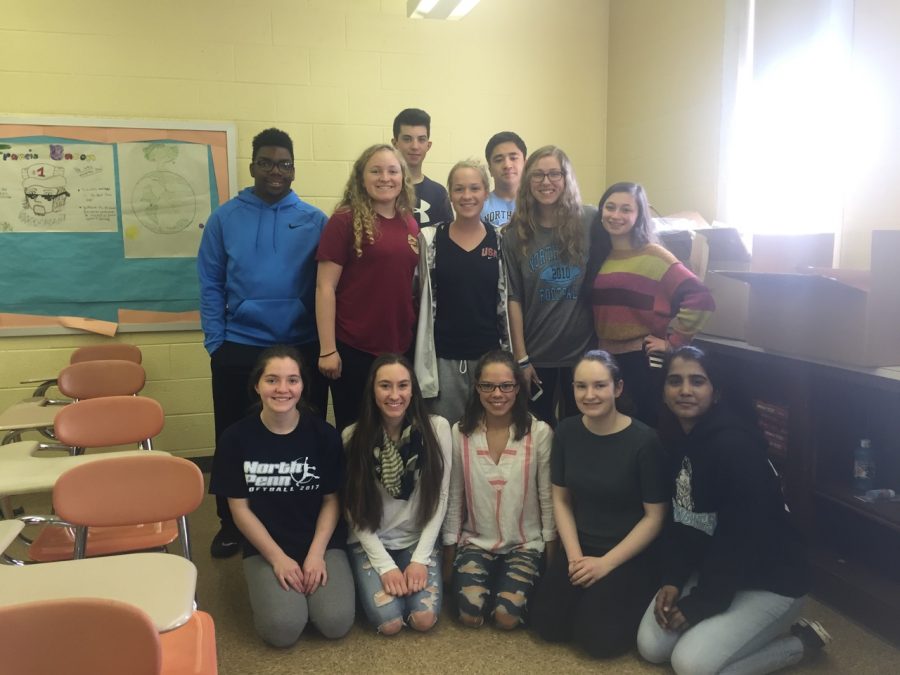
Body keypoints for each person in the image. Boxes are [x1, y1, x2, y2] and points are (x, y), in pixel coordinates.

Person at [636, 346, 829, 674]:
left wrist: (702, 603)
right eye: (675, 381)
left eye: (697, 381)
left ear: (716, 392)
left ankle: (800, 644)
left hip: (771, 581)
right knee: (652, 648)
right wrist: (673, 578)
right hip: (715, 571)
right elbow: (682, 522)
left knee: (691, 665)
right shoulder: (674, 440)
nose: (685, 390)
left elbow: (742, 540)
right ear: (664, 392)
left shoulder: (735, 448)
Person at [199, 127, 329, 558]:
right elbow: (210, 283)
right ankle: (229, 523)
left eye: (285, 164)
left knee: (305, 435)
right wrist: (217, 342)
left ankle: (302, 514)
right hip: (239, 344)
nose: (276, 171)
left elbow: (328, 286)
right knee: (233, 435)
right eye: (267, 162)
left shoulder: (314, 220)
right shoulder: (225, 218)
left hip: (302, 345)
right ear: (253, 165)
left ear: (294, 169)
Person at [209, 346, 354, 647]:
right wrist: (278, 559)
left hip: (320, 541)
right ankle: (290, 600)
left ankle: (311, 597)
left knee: (335, 621)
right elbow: (239, 509)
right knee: (282, 629)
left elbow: (331, 500)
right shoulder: (235, 438)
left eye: (292, 380)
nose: (283, 389)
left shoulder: (324, 435)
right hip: (268, 544)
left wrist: (316, 554)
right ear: (257, 386)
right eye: (272, 380)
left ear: (303, 386)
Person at [531, 350, 669, 658]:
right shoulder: (566, 431)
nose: (589, 394)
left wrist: (605, 564)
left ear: (617, 388)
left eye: (599, 386)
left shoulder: (644, 441)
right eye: (581, 386)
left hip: (626, 554)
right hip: (581, 546)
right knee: (547, 626)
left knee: (597, 642)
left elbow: (655, 518)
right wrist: (575, 557)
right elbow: (561, 499)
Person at [442, 350, 555, 629]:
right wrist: (447, 562)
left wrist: (553, 567)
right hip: (477, 542)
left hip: (525, 544)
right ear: (477, 388)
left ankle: (507, 587)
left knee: (506, 618)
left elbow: (548, 503)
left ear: (517, 388)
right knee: (470, 615)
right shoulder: (460, 434)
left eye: (506, 386)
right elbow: (454, 500)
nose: (497, 394)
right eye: (487, 386)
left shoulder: (539, 433)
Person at [588, 181, 715, 426]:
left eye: (626, 209)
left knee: (644, 429)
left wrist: (674, 342)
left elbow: (701, 299)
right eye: (610, 207)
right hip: (606, 359)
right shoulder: (600, 256)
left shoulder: (655, 256)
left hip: (641, 361)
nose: (616, 215)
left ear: (638, 215)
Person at [342, 354, 452, 635]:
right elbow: (353, 510)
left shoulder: (437, 429)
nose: (394, 395)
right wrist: (384, 565)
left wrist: (419, 559)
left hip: (417, 540)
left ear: (413, 390)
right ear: (372, 390)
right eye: (385, 386)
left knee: (423, 620)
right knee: (390, 622)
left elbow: (439, 499)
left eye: (402, 385)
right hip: (372, 540)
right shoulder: (352, 437)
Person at [315, 144, 419, 431]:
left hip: (399, 347)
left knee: (394, 429)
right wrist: (327, 349)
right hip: (354, 347)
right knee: (355, 431)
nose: (385, 177)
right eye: (375, 170)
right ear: (361, 177)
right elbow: (324, 286)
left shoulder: (410, 223)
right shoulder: (344, 221)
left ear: (403, 178)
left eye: (392, 171)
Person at [503, 145, 599, 427]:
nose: (546, 182)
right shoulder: (514, 234)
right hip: (536, 358)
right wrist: (521, 359)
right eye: (538, 175)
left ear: (566, 178)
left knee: (580, 433)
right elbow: (514, 298)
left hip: (581, 356)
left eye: (554, 174)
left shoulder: (590, 221)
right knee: (536, 434)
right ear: (527, 181)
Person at [414, 159, 510, 425]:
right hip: (444, 358)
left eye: (474, 188)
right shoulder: (430, 240)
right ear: (450, 195)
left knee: (487, 434)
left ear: (485, 193)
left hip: (489, 357)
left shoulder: (501, 240)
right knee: (447, 439)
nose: (467, 196)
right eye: (459, 189)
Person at [391, 108, 452, 227]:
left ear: (428, 145)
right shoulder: (385, 189)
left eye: (421, 139)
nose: (415, 146)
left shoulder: (439, 193)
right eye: (407, 139)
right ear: (395, 143)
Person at [481, 131, 527, 229]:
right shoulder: (479, 205)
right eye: (498, 160)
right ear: (490, 170)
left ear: (526, 164)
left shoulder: (537, 204)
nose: (507, 165)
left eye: (513, 158)